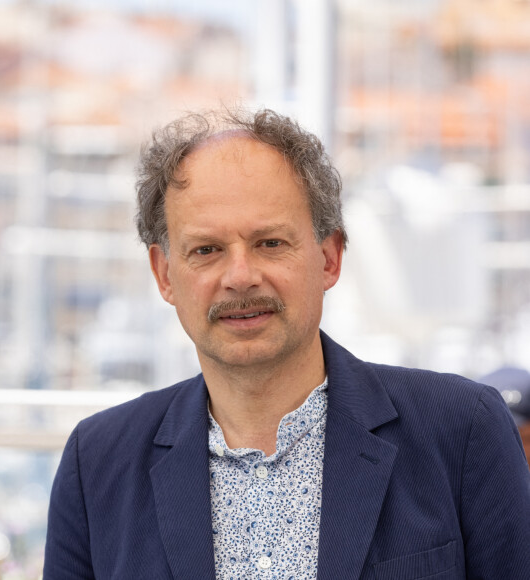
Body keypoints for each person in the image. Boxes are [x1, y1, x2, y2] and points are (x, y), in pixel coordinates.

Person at [43, 108, 530, 579]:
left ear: (329, 258)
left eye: (270, 243)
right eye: (207, 250)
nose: (240, 276)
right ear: (164, 274)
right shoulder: (99, 463)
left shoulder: (463, 431)